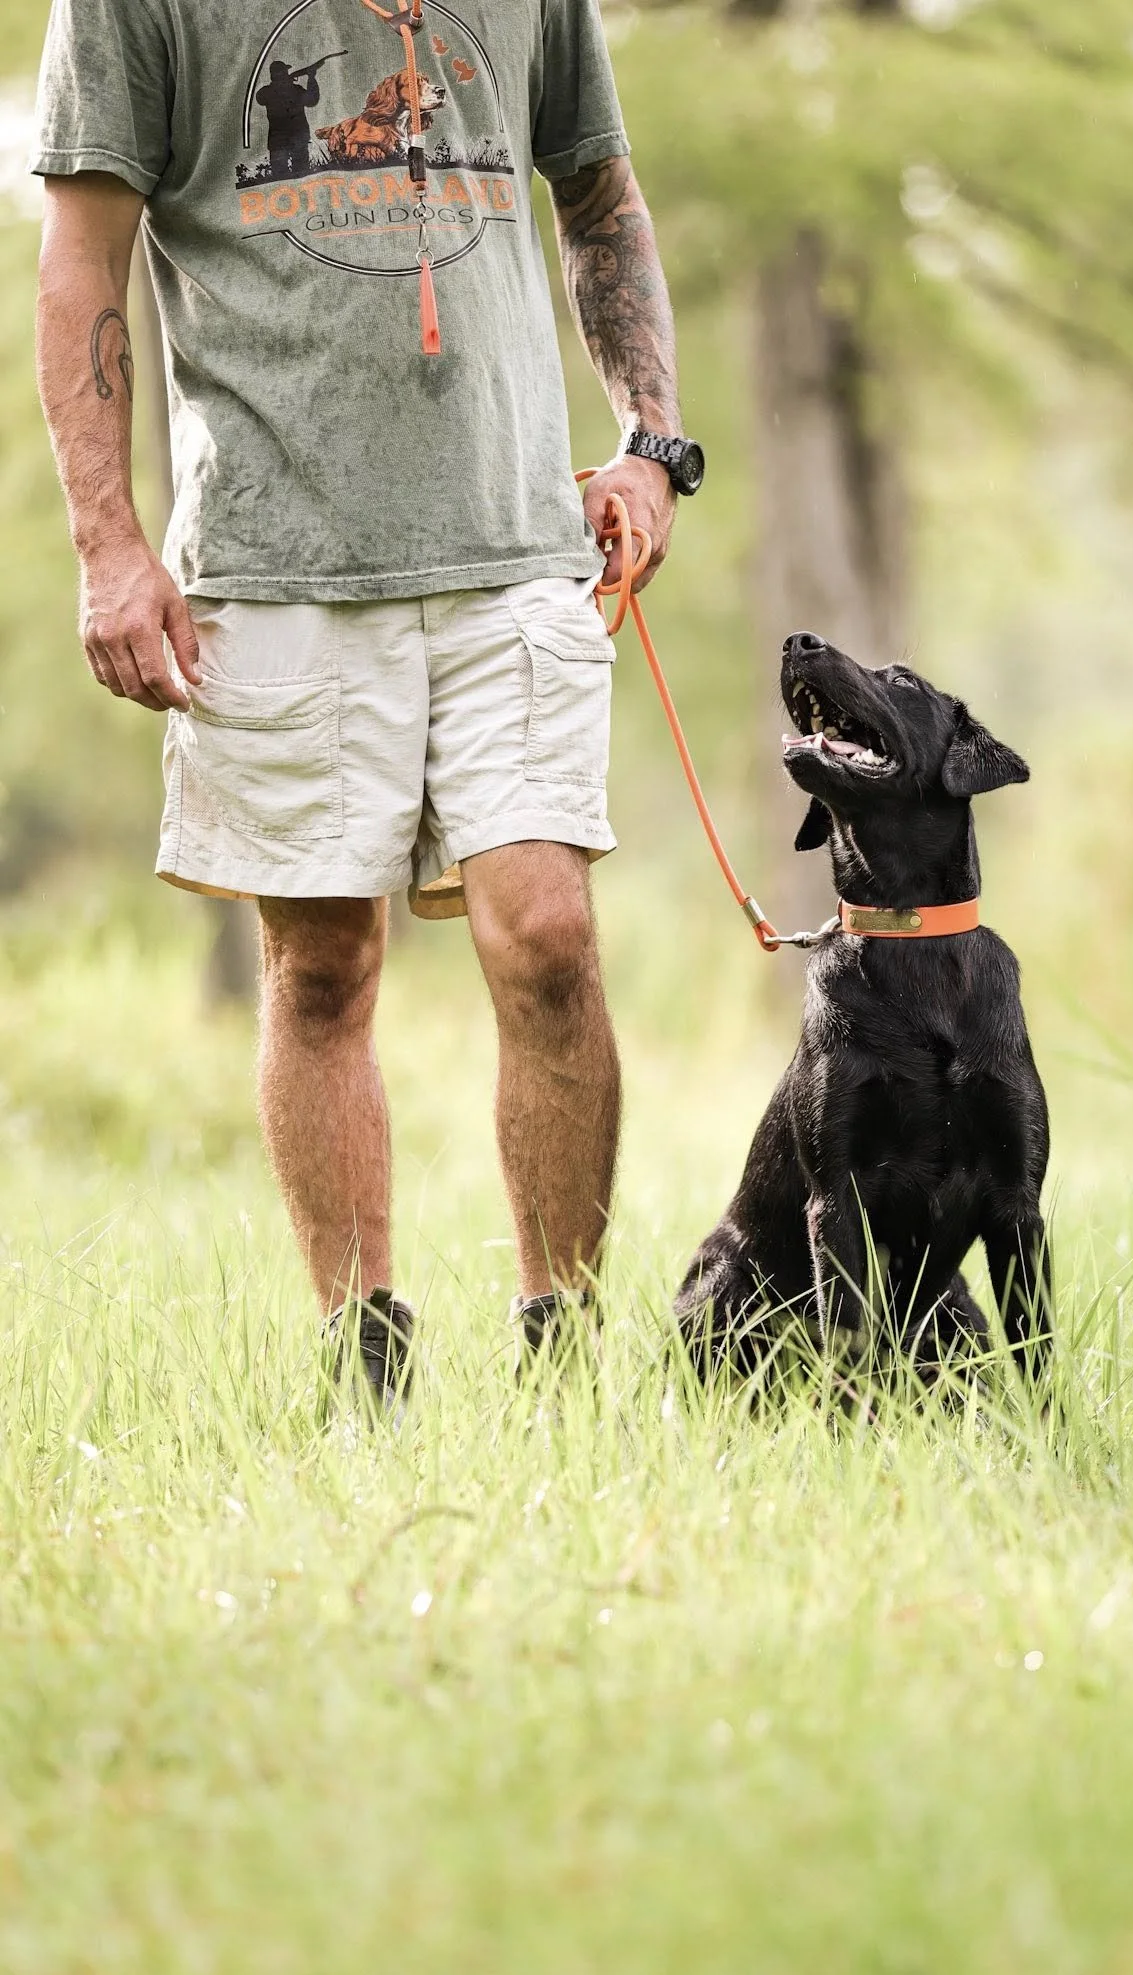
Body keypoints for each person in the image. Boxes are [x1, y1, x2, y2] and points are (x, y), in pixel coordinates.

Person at [31, 1, 707, 1401]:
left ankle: (561, 1364)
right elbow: (83, 259)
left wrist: (648, 442)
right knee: (323, 969)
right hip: (275, 559)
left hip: (518, 546)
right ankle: (365, 1359)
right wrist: (108, 544)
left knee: (551, 942)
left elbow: (598, 191)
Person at [255, 60, 322, 182]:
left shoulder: (269, 91)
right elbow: (312, 100)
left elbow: (312, 101)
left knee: (281, 178)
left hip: (281, 139)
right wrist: (311, 78)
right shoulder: (293, 90)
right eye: (284, 72)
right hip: (294, 137)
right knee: (301, 176)